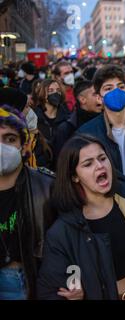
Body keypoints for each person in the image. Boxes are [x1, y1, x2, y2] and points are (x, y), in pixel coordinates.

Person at [37, 135, 125, 300]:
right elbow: (50, 292)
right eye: (88, 164)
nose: (99, 166)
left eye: (102, 158)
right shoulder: (63, 232)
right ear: (74, 176)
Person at [0, 105, 56, 299]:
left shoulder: (47, 186)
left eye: (10, 139)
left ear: (24, 146)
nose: (2, 146)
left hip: (26, 280)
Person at [77, 65, 125, 183]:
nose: (116, 91)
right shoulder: (88, 133)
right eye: (108, 88)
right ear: (99, 98)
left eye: (121, 86)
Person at [53, 80, 103, 159]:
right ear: (82, 100)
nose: (99, 98)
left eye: (100, 94)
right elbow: (62, 161)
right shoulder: (66, 129)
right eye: (95, 94)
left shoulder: (106, 121)